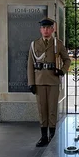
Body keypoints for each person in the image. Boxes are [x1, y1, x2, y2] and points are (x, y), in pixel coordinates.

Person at [27, 18, 71, 147]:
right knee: (42, 109)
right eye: (43, 28)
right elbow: (30, 64)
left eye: (48, 28)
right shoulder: (34, 44)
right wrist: (31, 82)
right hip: (39, 81)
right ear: (40, 30)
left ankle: (52, 135)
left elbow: (67, 60)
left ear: (52, 29)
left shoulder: (58, 43)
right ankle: (43, 136)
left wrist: (62, 71)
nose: (46, 30)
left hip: (53, 80)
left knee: (52, 109)